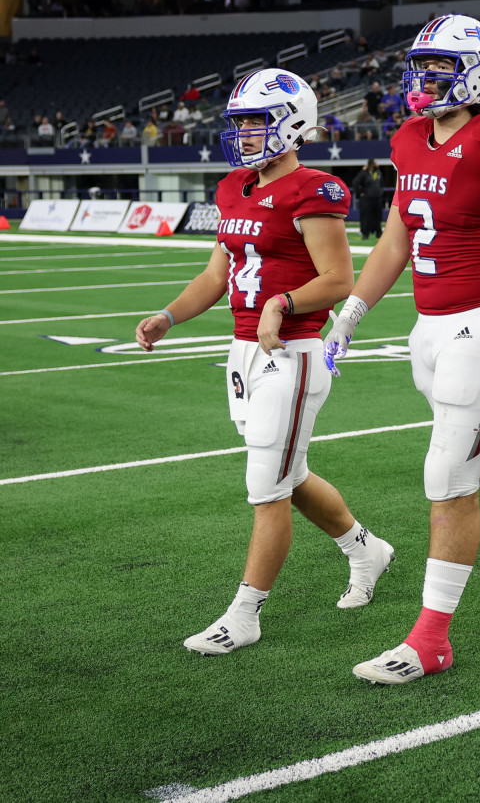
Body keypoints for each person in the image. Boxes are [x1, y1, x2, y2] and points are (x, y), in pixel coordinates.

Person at [323, 15, 480, 686]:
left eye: (438, 67)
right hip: (431, 328)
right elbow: (394, 242)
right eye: (421, 66)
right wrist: (352, 310)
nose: (423, 79)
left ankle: (430, 640)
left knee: (447, 480)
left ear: (476, 73)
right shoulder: (410, 137)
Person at [134, 69, 395, 656]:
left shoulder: (315, 189)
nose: (246, 134)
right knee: (287, 474)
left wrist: (282, 302)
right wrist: (169, 316)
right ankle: (365, 549)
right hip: (244, 349)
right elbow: (215, 275)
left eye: (256, 121)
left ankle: (245, 613)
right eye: (240, 123)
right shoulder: (234, 188)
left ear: (293, 122)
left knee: (267, 488)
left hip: (293, 351)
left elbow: (338, 280)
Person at [351, 158, 384, 239]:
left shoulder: (378, 173)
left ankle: (378, 232)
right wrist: (361, 193)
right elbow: (355, 183)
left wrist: (380, 191)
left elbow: (382, 183)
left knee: (378, 216)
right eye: (375, 162)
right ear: (371, 164)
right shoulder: (364, 173)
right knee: (366, 216)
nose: (377, 164)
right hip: (367, 199)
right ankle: (365, 233)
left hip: (377, 198)